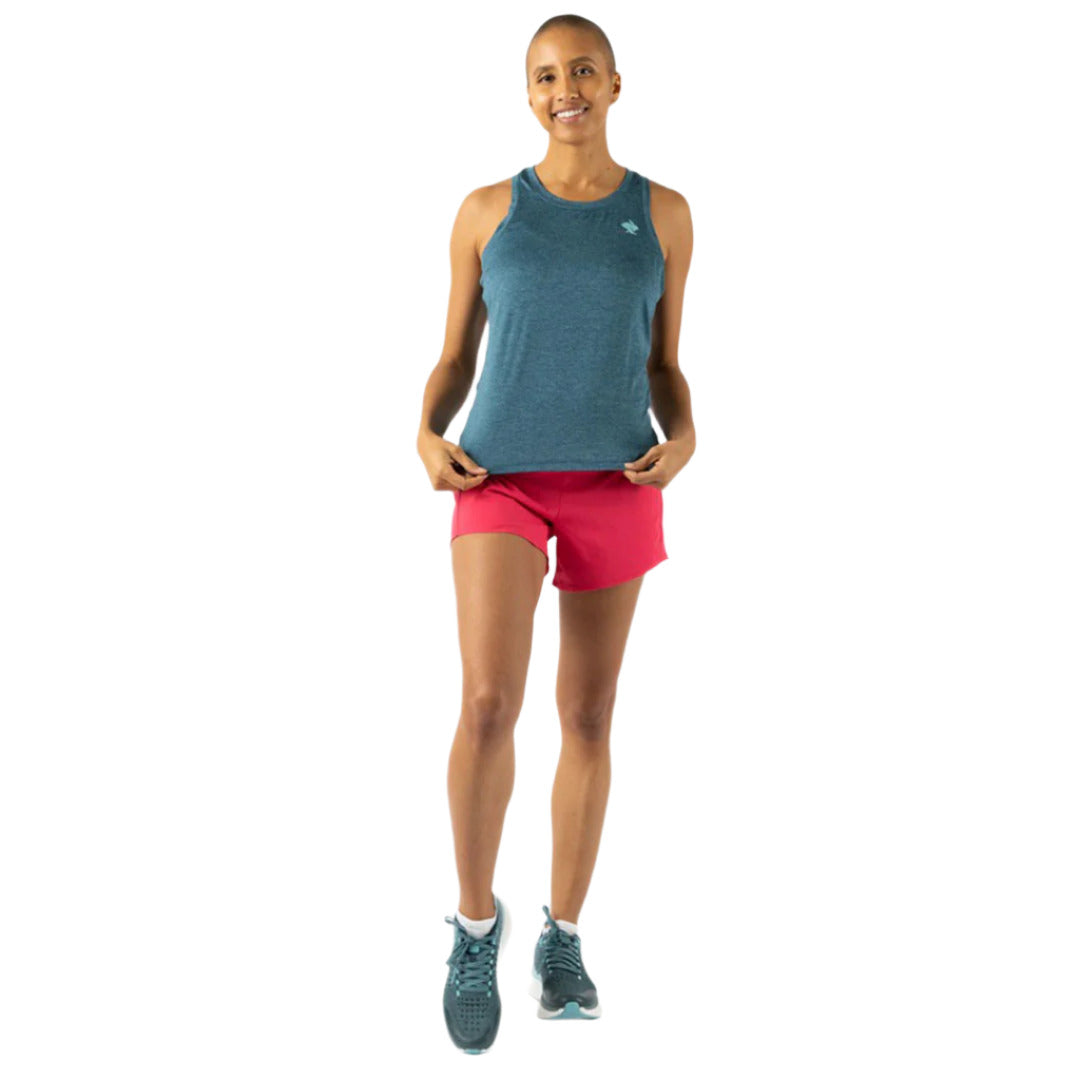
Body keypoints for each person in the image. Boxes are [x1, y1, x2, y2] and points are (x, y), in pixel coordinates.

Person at [416, 14, 696, 1054]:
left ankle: (563, 939)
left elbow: (663, 362)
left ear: (616, 84)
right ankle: (473, 928)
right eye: (544, 75)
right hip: (499, 478)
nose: (564, 87)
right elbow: (455, 356)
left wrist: (685, 435)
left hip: (616, 479)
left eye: (582, 70)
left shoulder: (663, 214)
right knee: (489, 702)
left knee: (588, 714)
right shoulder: (488, 211)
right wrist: (427, 432)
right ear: (527, 93)